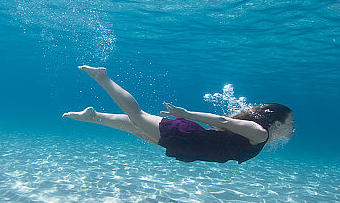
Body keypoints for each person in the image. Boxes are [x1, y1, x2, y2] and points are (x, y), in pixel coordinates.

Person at [63, 66, 294, 163]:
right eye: (290, 123)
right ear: (276, 121)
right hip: (189, 139)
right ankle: (103, 77)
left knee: (134, 126)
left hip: (191, 146)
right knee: (137, 115)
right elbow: (223, 121)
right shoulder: (259, 133)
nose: (292, 128)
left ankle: (93, 116)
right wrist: (186, 114)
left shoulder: (260, 136)